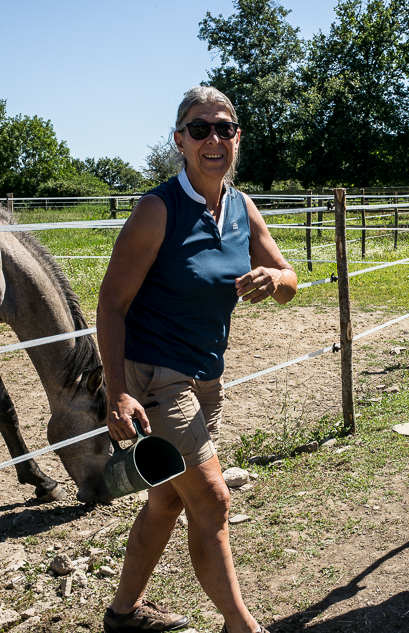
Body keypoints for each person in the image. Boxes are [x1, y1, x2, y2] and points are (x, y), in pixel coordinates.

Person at [96, 86, 297, 633]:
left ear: (237, 139)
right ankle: (242, 626)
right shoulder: (157, 209)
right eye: (200, 128)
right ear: (179, 140)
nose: (214, 138)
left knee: (166, 502)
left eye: (224, 128)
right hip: (158, 381)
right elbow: (111, 305)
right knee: (211, 502)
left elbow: (290, 281)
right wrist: (117, 390)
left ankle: (123, 614)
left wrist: (274, 277)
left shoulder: (240, 206)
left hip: (208, 379)